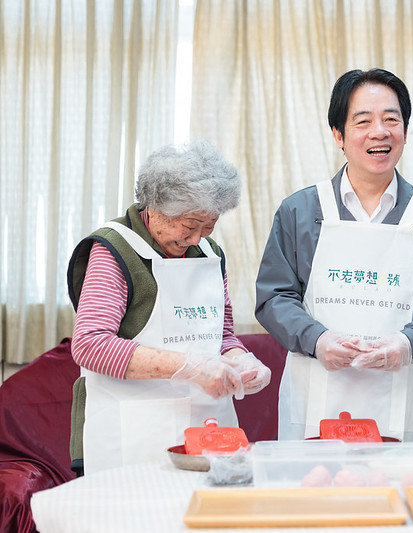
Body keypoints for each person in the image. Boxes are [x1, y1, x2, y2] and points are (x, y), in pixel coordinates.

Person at [254, 68, 413, 444]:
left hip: (403, 396)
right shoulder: (299, 211)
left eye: (391, 120)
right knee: (316, 480)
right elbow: (274, 297)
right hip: (316, 395)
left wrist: (407, 342)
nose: (379, 132)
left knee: (402, 482)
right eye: (363, 121)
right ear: (338, 134)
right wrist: (317, 339)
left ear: (405, 131)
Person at [68, 140, 271, 475]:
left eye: (209, 226)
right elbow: (90, 345)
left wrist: (242, 360)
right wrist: (189, 366)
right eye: (189, 226)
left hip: (206, 427)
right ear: (155, 207)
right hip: (132, 429)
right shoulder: (114, 250)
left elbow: (220, 335)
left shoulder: (209, 253)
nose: (197, 238)